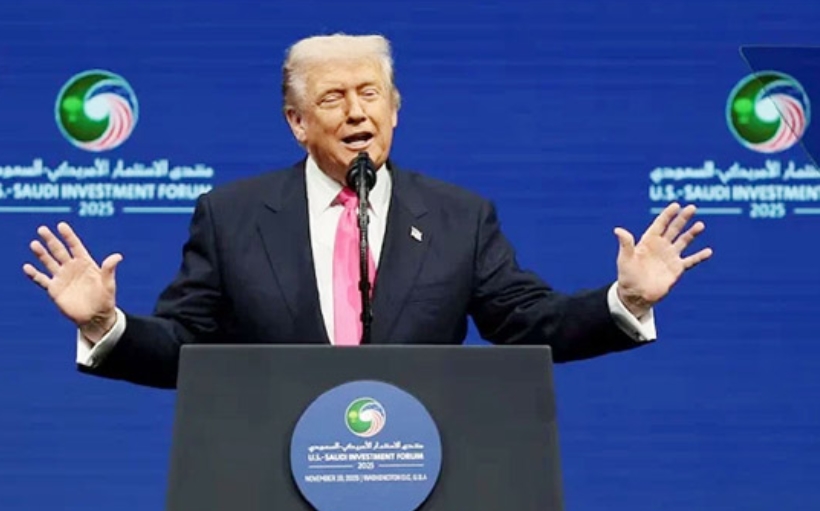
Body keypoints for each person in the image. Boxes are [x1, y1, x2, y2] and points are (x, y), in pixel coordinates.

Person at [22, 34, 712, 389]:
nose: (357, 112)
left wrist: (624, 300)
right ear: (296, 122)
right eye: (333, 98)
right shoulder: (232, 216)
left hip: (423, 468)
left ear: (395, 109)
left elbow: (528, 324)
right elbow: (186, 349)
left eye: (371, 94)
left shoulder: (459, 216)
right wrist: (104, 324)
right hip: (271, 471)